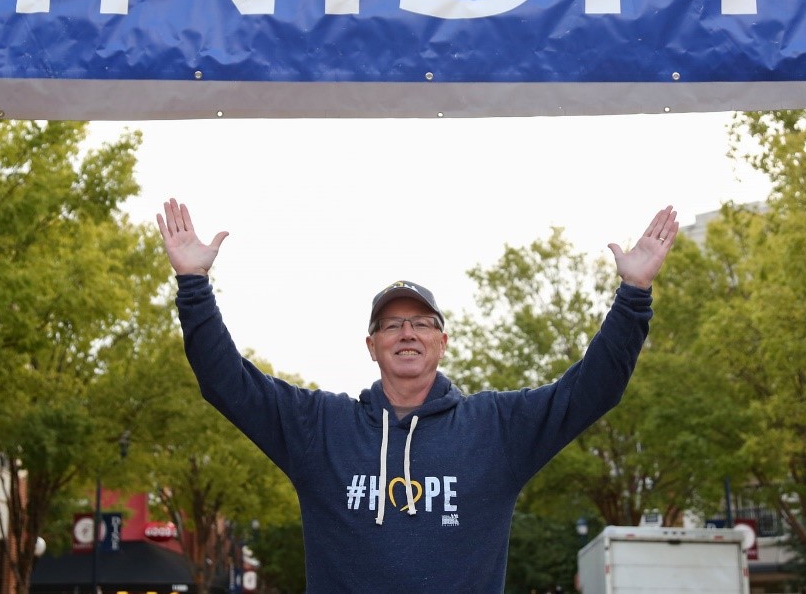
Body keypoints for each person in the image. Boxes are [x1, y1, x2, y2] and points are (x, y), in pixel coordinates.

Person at [156, 198, 678, 593]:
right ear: (372, 346)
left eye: (422, 323)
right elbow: (227, 383)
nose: (407, 333)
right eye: (391, 325)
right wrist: (193, 283)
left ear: (442, 342)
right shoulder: (320, 427)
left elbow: (592, 390)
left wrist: (633, 297)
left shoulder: (496, 428)